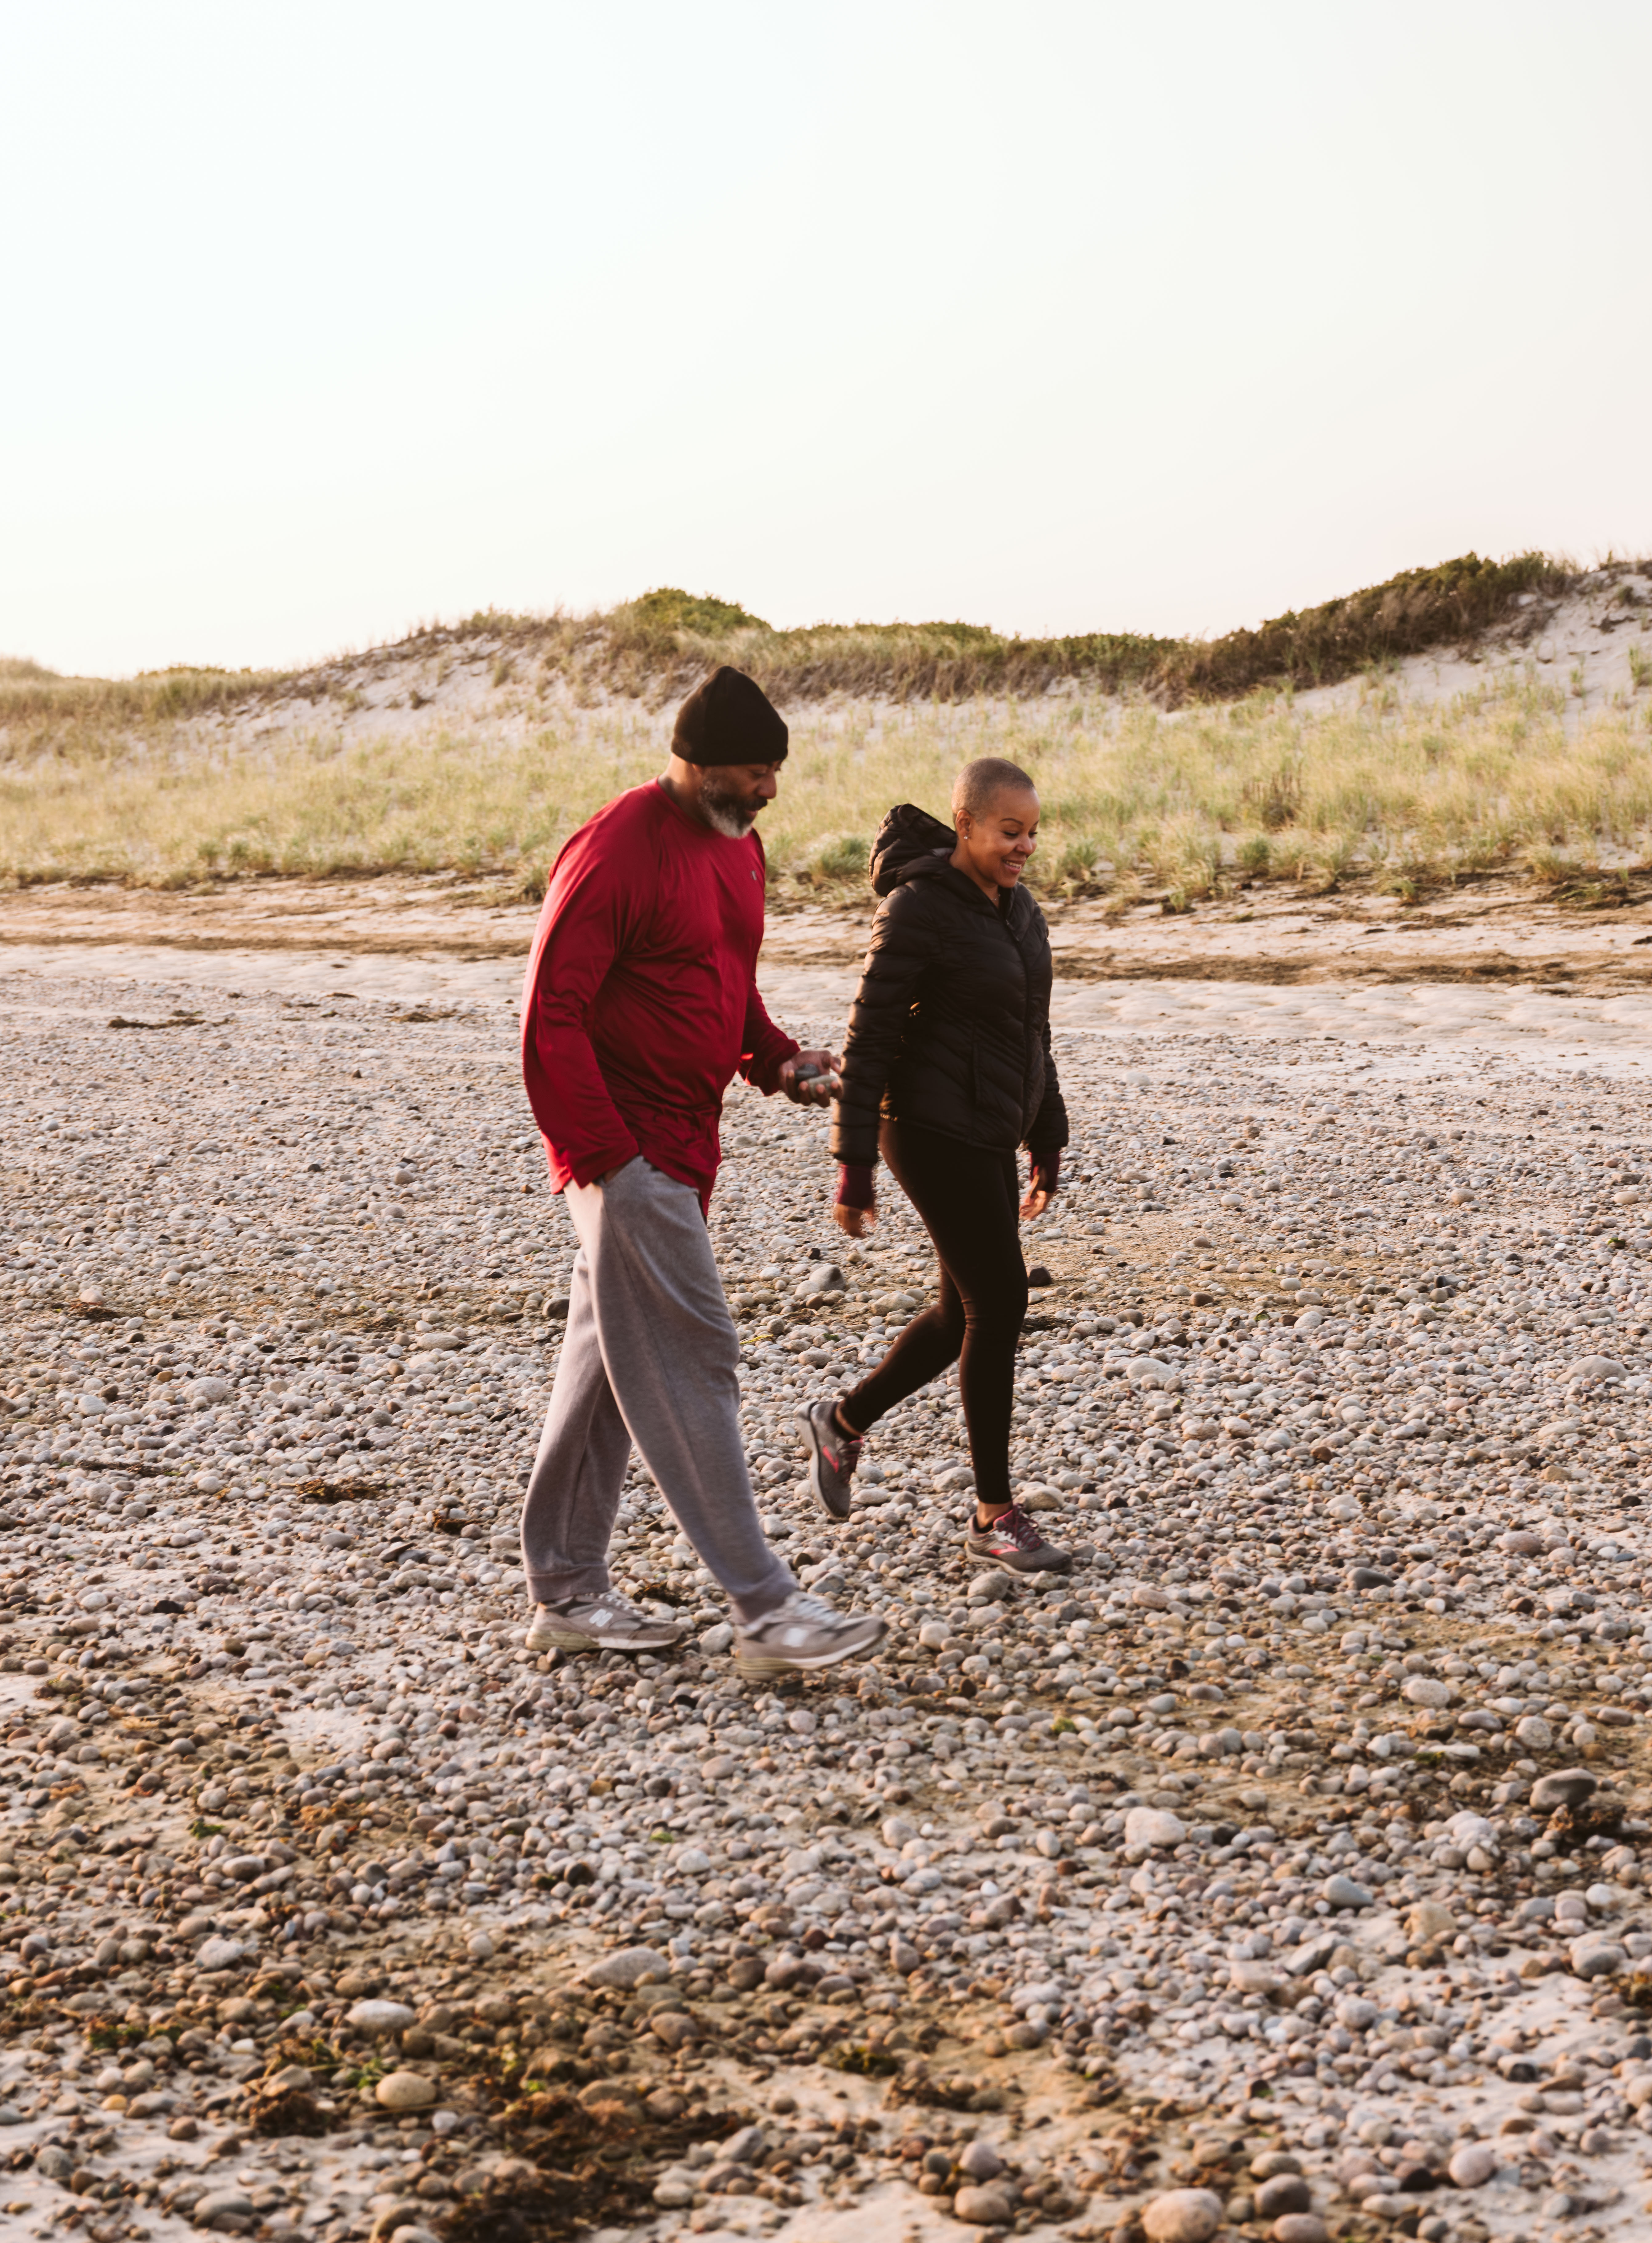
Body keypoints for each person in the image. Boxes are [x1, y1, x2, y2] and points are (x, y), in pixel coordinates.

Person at [518, 665, 887, 1677]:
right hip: (625, 1151)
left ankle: (566, 1590)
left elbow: (722, 979)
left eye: (775, 771)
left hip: (684, 1143)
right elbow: (549, 1013)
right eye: (753, 771)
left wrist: (774, 1059)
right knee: (692, 1352)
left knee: (604, 1373)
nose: (769, 789)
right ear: (693, 761)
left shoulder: (738, 850)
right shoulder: (616, 850)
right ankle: (768, 1612)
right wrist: (608, 1164)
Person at [797, 756, 1071, 1573]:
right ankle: (993, 1512)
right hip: (921, 1126)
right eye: (1008, 832)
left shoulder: (1020, 914)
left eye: (1031, 833)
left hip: (988, 1123)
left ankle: (841, 1423)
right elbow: (868, 1037)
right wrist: (852, 1165)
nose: (1023, 847)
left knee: (962, 1314)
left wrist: (1046, 1137)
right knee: (1001, 1300)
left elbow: (1031, 1031)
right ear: (966, 826)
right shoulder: (917, 909)